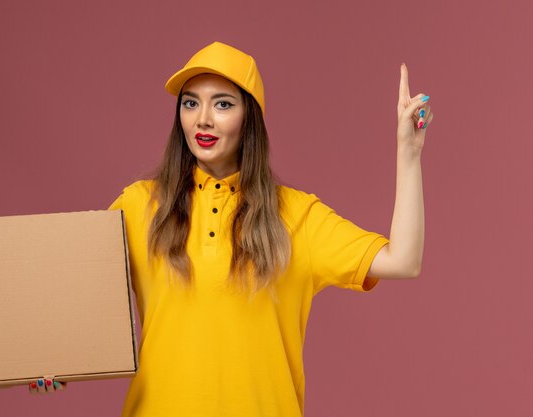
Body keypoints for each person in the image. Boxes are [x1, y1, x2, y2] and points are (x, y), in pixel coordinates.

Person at [29, 41, 432, 416]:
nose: (203, 118)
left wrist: (409, 153)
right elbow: (79, 313)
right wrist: (48, 364)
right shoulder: (138, 206)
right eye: (191, 103)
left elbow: (403, 260)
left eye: (222, 104)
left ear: (249, 117)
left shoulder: (296, 215)